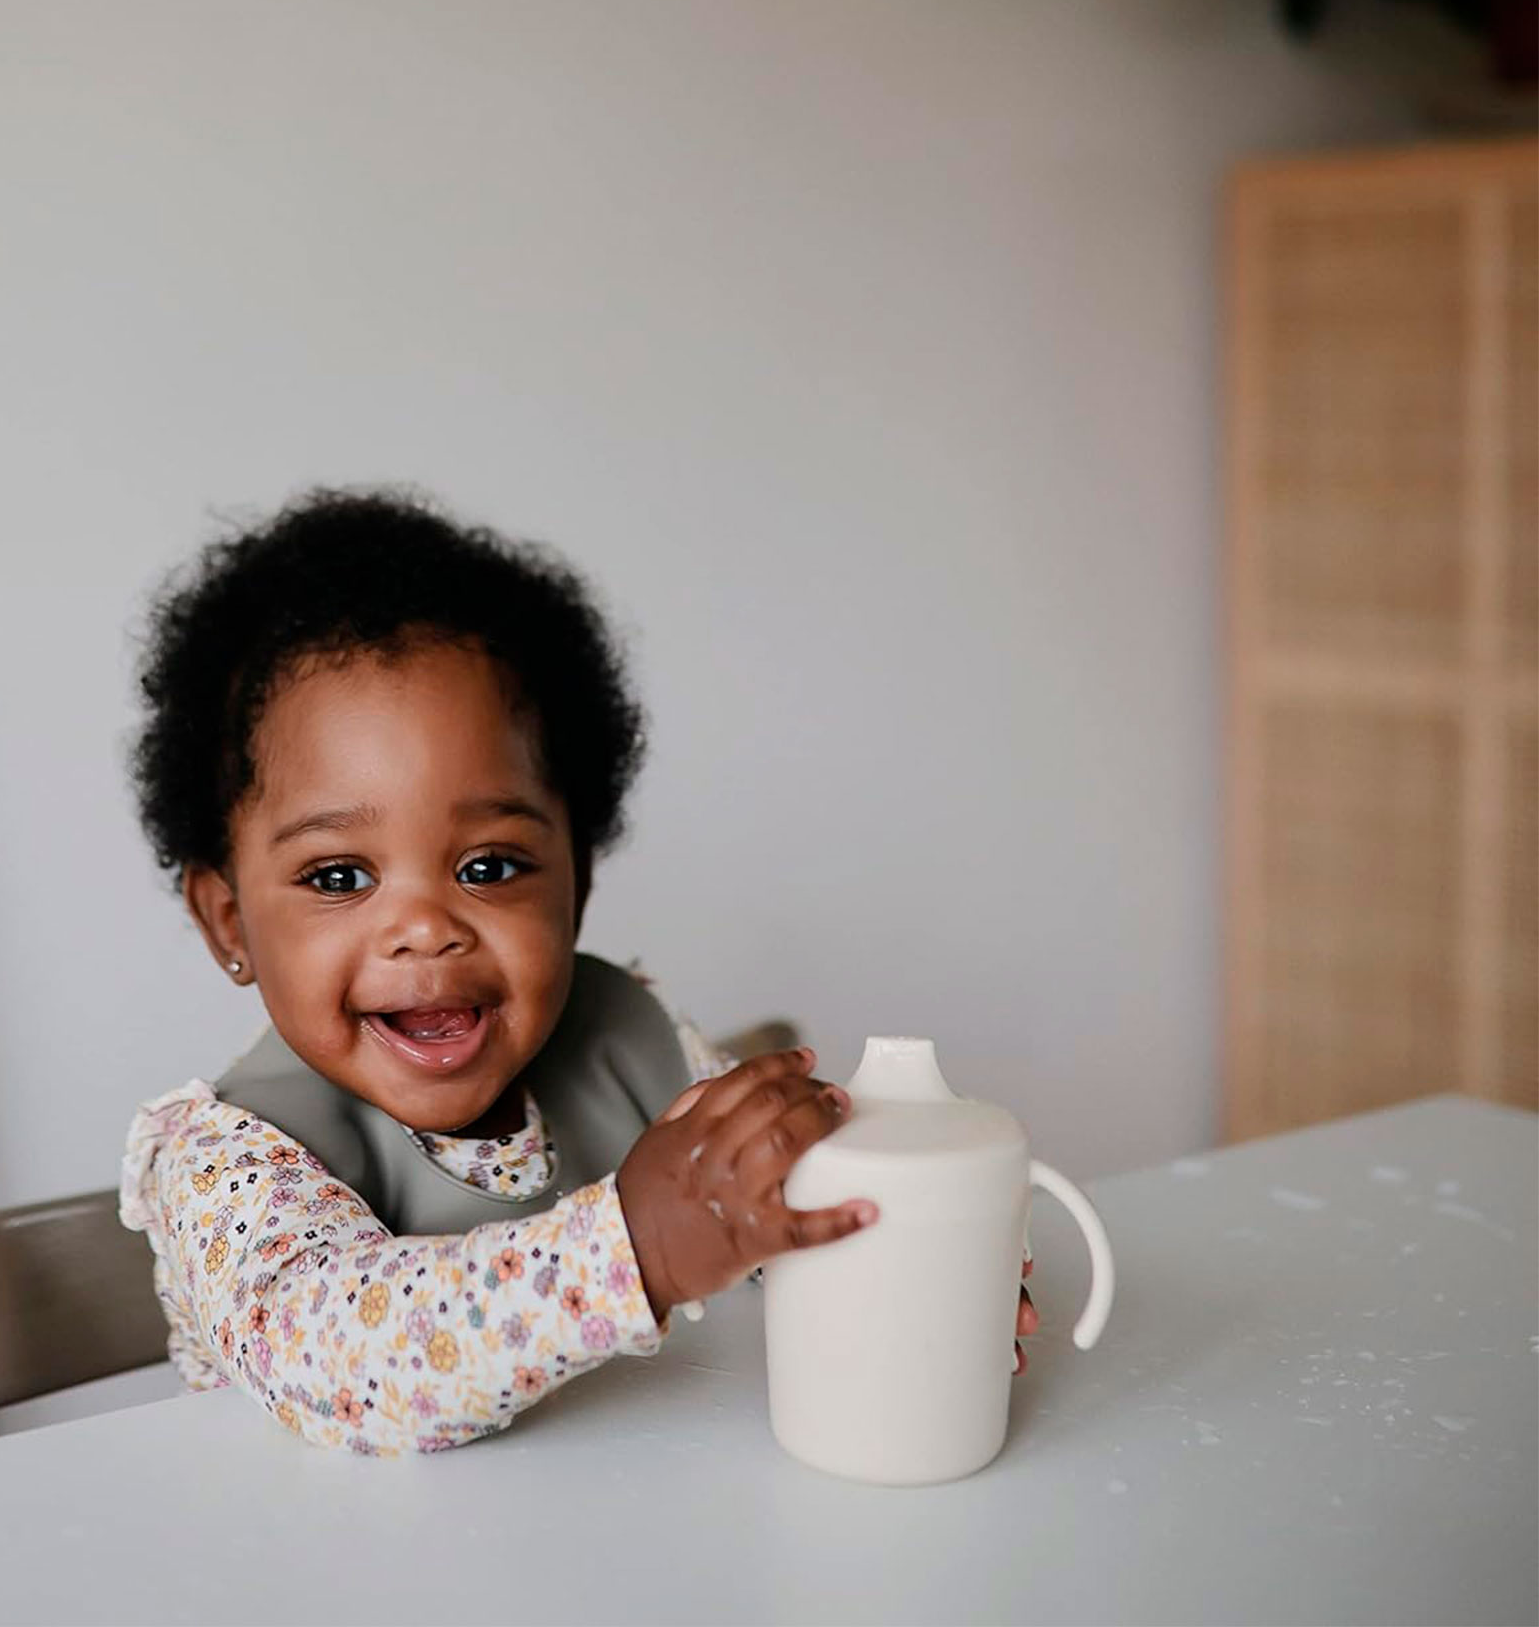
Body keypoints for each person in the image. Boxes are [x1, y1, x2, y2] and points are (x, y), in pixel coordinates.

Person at [118, 484, 1037, 1455]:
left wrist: (894, 1248)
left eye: (489, 866)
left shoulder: (622, 1036)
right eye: (339, 875)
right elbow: (355, 1358)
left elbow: (754, 1203)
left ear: (576, 882)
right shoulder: (229, 1160)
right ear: (229, 918)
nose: (425, 927)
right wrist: (633, 1246)